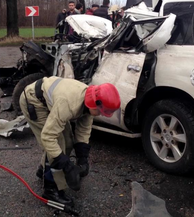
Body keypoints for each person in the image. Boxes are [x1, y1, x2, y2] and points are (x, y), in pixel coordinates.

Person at [19, 77, 120, 206]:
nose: (101, 114)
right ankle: (51, 189)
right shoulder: (69, 104)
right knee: (58, 143)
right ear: (96, 103)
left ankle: (44, 170)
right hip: (34, 101)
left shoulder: (89, 100)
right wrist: (67, 166)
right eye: (101, 111)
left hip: (49, 101)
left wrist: (82, 158)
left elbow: (83, 130)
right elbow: (48, 137)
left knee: (67, 141)